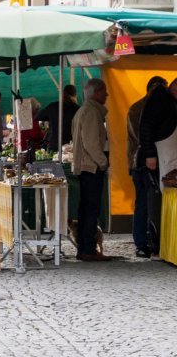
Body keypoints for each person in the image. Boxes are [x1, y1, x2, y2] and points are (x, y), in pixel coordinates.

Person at [128, 76, 167, 258]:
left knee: (143, 203)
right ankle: (144, 242)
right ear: (155, 88)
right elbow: (141, 136)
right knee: (146, 203)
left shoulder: (137, 107)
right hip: (145, 162)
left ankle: (143, 242)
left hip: (140, 161)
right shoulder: (145, 108)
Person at [137, 77, 177, 257]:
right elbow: (145, 127)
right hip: (158, 157)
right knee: (153, 200)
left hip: (168, 156)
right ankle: (154, 243)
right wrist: (150, 154)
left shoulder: (168, 102)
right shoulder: (159, 101)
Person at [71, 78, 110, 262]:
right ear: (95, 93)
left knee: (86, 208)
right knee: (90, 209)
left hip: (86, 166)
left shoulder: (83, 111)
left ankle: (85, 248)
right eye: (104, 92)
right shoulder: (91, 113)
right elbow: (92, 144)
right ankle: (88, 248)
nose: (107, 95)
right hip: (91, 167)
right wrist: (103, 162)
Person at [36, 85, 80, 152]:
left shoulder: (52, 106)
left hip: (54, 145)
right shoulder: (77, 108)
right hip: (70, 146)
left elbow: (38, 116)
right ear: (75, 95)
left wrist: (51, 117)